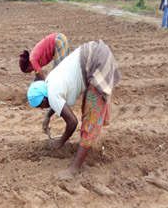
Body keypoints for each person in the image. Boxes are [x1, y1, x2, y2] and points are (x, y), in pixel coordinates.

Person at [26, 40, 121, 179]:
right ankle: (84, 147)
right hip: (93, 53)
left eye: (41, 106)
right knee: (88, 107)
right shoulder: (49, 81)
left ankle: (73, 170)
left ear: (43, 99)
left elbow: (72, 123)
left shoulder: (52, 95)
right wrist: (48, 116)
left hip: (97, 63)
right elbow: (55, 99)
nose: (43, 108)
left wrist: (61, 141)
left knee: (90, 119)